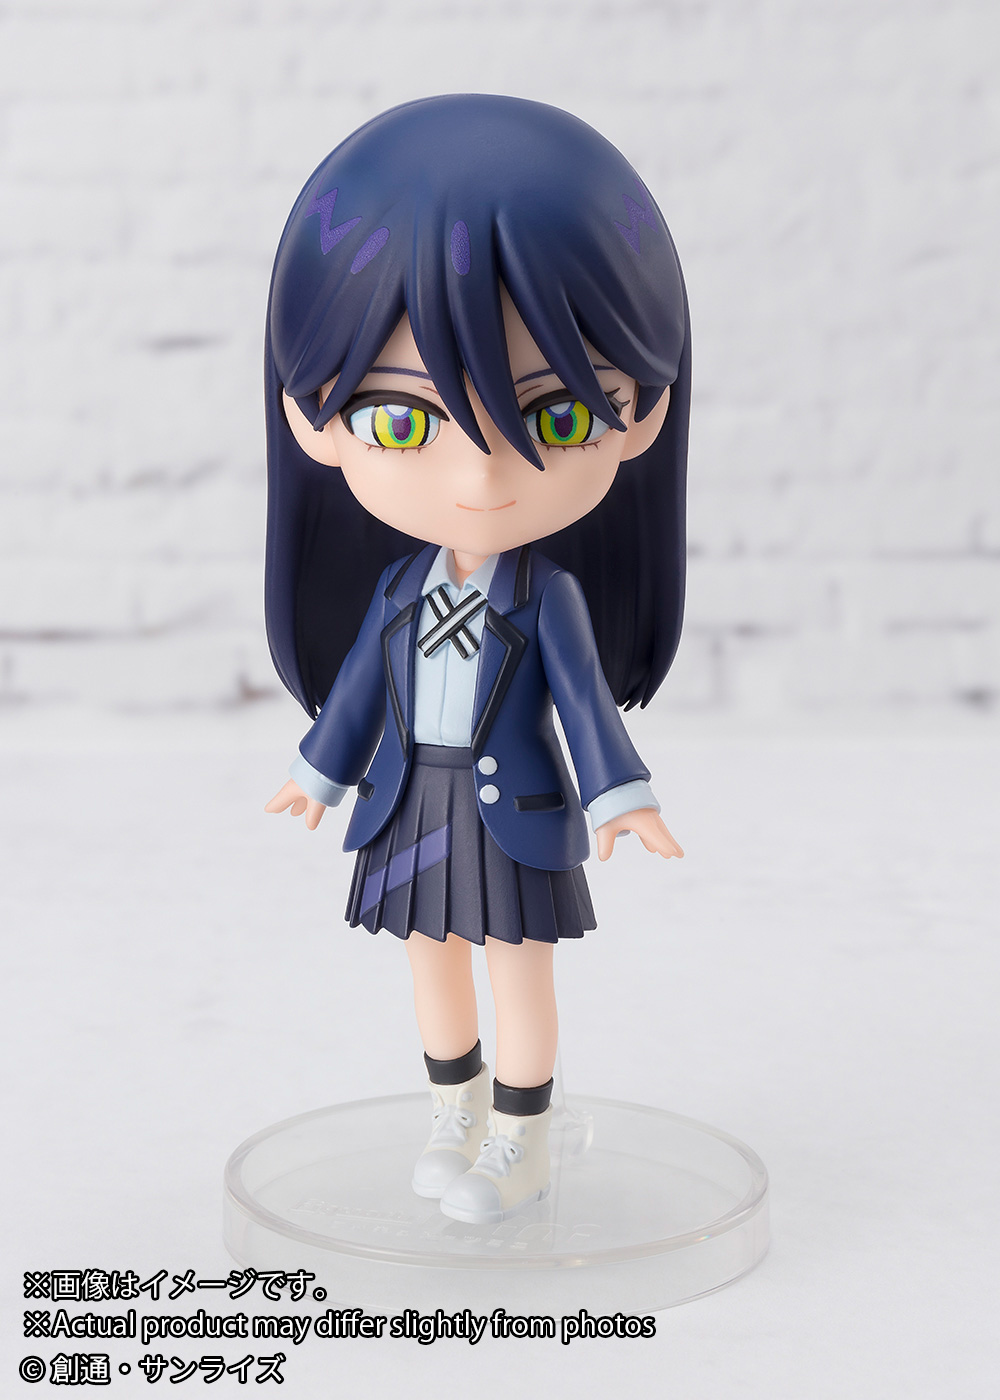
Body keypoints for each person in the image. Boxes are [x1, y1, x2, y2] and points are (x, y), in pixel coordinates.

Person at [263, 94, 689, 1224]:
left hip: (514, 809)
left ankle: (521, 1136)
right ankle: (452, 1112)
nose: (481, 477)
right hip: (410, 799)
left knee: (517, 965)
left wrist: (623, 795)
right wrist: (317, 773)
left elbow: (585, 706)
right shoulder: (398, 591)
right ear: (312, 418)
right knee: (429, 957)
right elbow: (361, 692)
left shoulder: (547, 597)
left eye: (557, 419)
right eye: (404, 421)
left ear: (641, 411)